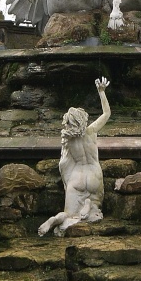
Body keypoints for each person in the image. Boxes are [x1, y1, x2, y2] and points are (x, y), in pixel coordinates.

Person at [38, 77, 111, 237]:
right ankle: (90, 204)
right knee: (96, 203)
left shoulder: (68, 140)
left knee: (68, 214)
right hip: (94, 174)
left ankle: (55, 220)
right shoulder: (91, 131)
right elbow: (106, 114)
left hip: (76, 177)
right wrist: (101, 92)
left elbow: (63, 164)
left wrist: (66, 184)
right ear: (82, 120)